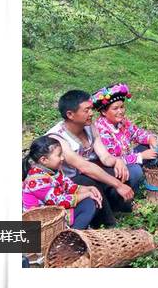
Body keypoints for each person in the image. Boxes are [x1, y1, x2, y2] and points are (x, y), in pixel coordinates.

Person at [46, 90, 134, 227]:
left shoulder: (89, 127)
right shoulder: (57, 138)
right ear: (70, 114)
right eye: (86, 110)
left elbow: (104, 157)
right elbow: (84, 167)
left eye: (91, 109)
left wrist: (117, 161)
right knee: (88, 180)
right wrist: (118, 185)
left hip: (87, 171)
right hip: (65, 182)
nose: (92, 113)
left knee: (118, 171)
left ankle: (120, 208)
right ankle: (108, 223)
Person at [22, 135, 101, 229]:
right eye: (59, 155)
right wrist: (86, 194)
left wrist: (89, 189)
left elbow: (70, 186)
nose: (62, 158)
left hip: (53, 212)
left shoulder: (53, 171)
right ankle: (71, 237)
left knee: (90, 200)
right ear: (44, 160)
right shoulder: (36, 181)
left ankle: (75, 233)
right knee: (87, 204)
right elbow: (60, 201)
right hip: (42, 223)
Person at [92, 83, 158, 179]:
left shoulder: (122, 121)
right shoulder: (101, 131)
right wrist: (141, 156)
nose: (120, 111)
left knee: (149, 147)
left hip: (127, 157)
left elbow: (137, 133)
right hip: (111, 168)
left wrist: (150, 139)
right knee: (135, 170)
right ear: (103, 112)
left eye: (122, 107)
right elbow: (112, 160)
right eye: (115, 108)